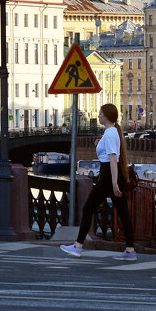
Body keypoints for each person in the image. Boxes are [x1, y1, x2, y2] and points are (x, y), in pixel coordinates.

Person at [60, 103, 136, 261]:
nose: (99, 116)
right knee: (124, 214)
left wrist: (114, 184)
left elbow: (113, 159)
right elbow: (110, 155)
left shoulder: (109, 134)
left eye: (100, 114)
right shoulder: (112, 132)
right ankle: (130, 250)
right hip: (112, 176)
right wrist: (98, 145)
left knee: (88, 208)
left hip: (108, 177)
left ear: (106, 116)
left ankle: (78, 246)